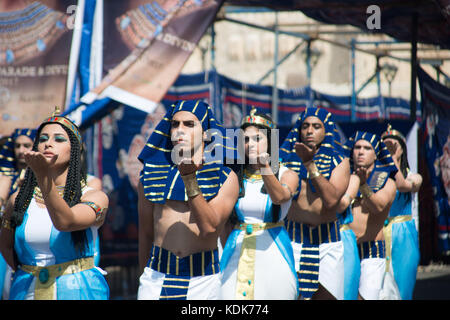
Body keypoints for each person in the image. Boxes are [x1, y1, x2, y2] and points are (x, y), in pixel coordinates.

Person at [0, 107, 110, 300]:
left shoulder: (94, 196)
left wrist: (44, 178)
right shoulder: (19, 199)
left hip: (78, 290)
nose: (48, 144)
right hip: (26, 290)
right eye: (42, 139)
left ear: (74, 149)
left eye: (59, 139)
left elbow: (65, 222)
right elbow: (6, 246)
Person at [136, 100, 239, 300]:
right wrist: (144, 276)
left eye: (189, 124)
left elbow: (209, 228)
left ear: (206, 132)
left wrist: (189, 179)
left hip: (203, 281)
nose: (179, 130)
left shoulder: (225, 176)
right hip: (155, 278)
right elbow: (146, 232)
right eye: (175, 124)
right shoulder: (150, 174)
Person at [220, 108, 298, 299]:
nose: (250, 144)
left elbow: (280, 197)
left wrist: (265, 167)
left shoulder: (287, 173)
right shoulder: (233, 176)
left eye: (257, 139)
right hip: (236, 250)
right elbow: (223, 221)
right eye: (246, 140)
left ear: (270, 141)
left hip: (273, 250)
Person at [279, 107, 350, 300]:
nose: (310, 131)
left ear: (326, 130)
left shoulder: (340, 161)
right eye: (305, 126)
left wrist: (310, 164)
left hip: (327, 242)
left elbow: (331, 200)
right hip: (292, 239)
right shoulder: (283, 158)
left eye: (316, 126)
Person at [339, 131, 399, 300]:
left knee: (365, 297)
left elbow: (378, 206)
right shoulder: (344, 178)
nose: (361, 151)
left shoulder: (388, 181)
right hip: (345, 247)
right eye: (357, 147)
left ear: (376, 154)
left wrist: (364, 185)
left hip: (371, 250)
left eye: (367, 148)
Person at [381, 124, 422, 300]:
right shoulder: (375, 177)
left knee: (402, 287)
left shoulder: (414, 176)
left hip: (403, 234)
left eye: (393, 145)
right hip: (379, 232)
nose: (389, 149)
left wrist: (393, 160)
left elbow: (402, 185)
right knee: (379, 288)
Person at [0, 128, 36, 299]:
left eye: (27, 145)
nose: (21, 150)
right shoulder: (5, 176)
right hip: (7, 237)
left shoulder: (44, 178)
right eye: (18, 146)